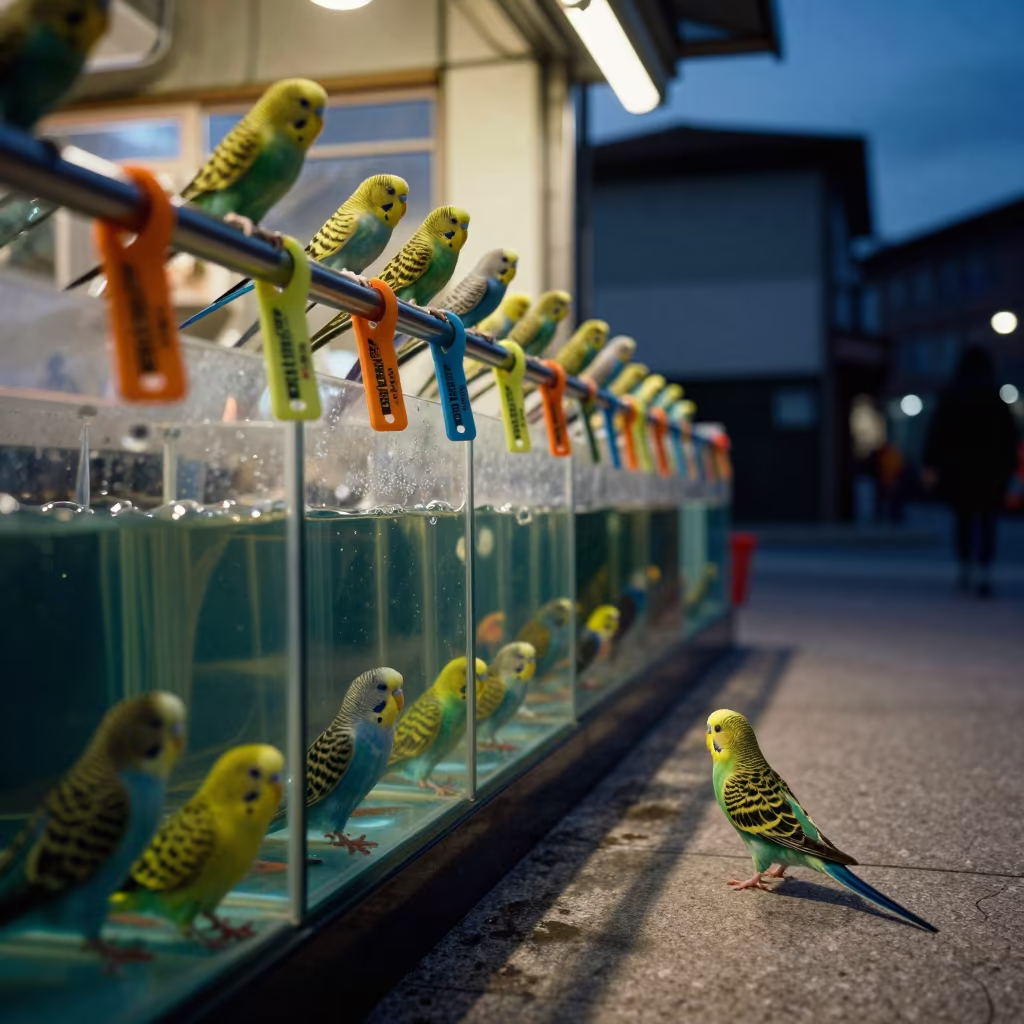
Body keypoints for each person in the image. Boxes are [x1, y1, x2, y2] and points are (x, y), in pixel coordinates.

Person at [923, 345, 1019, 597]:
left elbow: (936, 434)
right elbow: (1009, 437)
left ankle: (965, 568)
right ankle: (983, 571)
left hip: (959, 471)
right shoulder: (994, 397)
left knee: (963, 520)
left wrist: (933, 465)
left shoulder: (952, 396)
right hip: (989, 472)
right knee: (987, 521)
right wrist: (1008, 469)